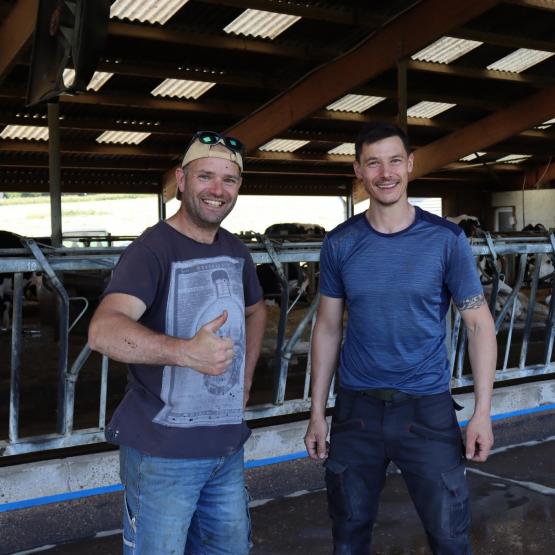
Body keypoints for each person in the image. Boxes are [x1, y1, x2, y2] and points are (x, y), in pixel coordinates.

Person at [304, 122, 497, 554]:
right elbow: (328, 327)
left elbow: (479, 324)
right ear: (358, 170)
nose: (385, 173)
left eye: (394, 161)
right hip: (356, 413)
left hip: (427, 413)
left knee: (450, 536)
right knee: (348, 535)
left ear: (409, 164)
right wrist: (317, 411)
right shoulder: (340, 243)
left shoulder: (446, 240)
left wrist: (483, 412)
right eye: (373, 163)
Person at [88, 131, 266, 554]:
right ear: (181, 180)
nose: (217, 190)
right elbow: (103, 330)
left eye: (230, 180)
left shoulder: (237, 252)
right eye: (205, 176)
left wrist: (244, 379)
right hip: (162, 454)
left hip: (225, 447)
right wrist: (183, 351)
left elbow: (257, 311)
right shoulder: (152, 251)